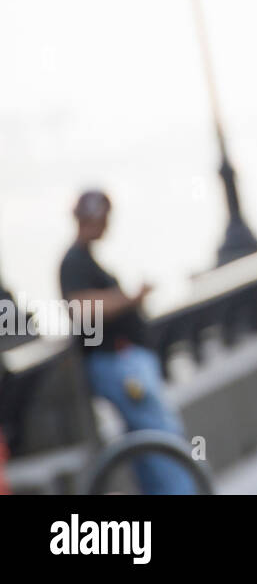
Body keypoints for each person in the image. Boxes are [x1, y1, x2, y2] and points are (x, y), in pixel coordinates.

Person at [59, 190, 196, 494]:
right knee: (161, 436)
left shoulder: (85, 259)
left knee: (146, 442)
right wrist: (130, 298)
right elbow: (81, 306)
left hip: (122, 363)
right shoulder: (74, 261)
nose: (107, 224)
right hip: (117, 365)